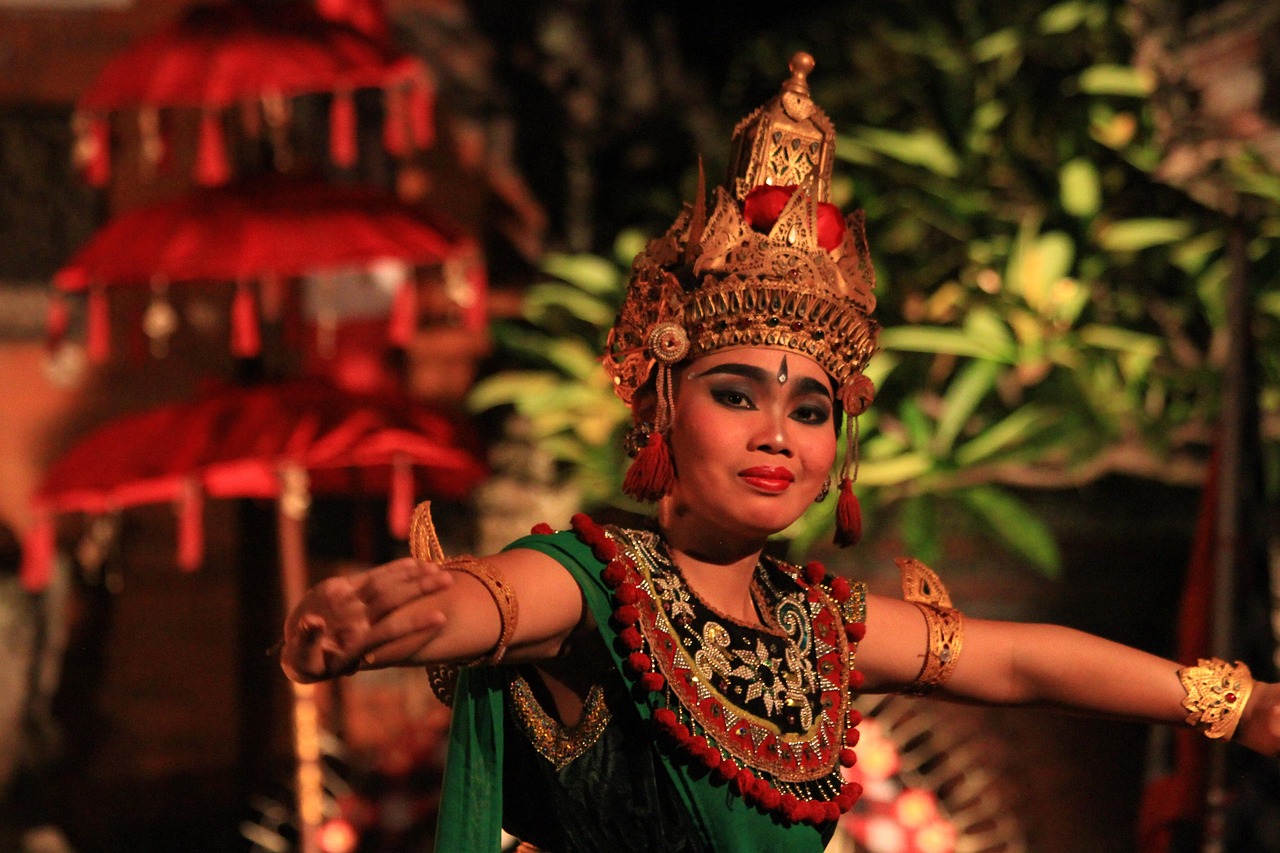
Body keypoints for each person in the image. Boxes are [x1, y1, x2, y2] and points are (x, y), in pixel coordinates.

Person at [281, 52, 1280, 853]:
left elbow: (1013, 661)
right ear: (661, 411)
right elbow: (491, 600)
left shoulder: (815, 624)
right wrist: (381, 625)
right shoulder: (599, 584)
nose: (777, 434)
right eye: (734, 393)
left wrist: (1230, 702)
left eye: (809, 409)